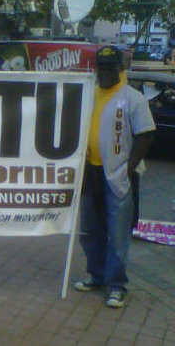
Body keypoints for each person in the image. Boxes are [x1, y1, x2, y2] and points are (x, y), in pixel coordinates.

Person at [74, 46, 155, 308]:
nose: (106, 72)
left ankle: (117, 285)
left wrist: (129, 170)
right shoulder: (88, 95)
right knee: (88, 229)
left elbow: (146, 135)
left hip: (119, 174)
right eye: (102, 67)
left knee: (118, 233)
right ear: (96, 69)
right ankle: (96, 276)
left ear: (120, 69)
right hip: (90, 172)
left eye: (111, 67)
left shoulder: (133, 98)